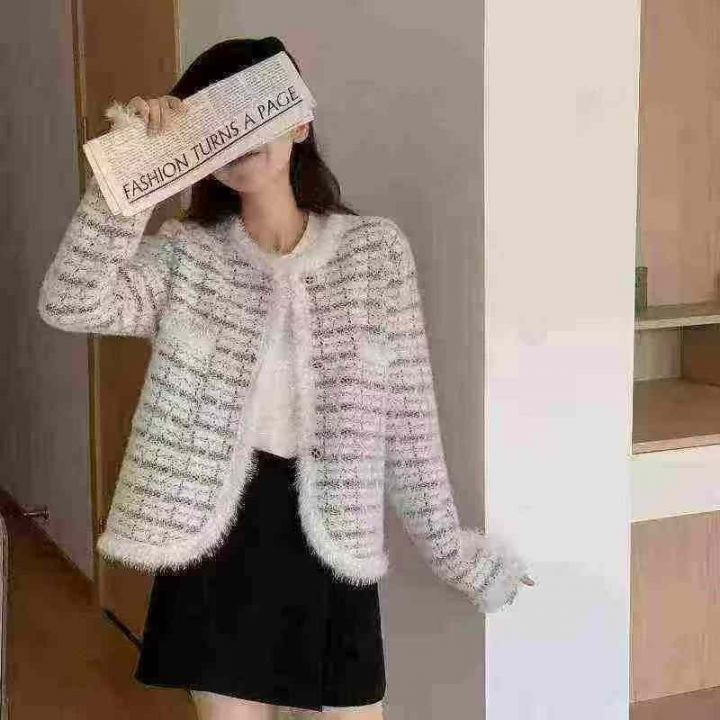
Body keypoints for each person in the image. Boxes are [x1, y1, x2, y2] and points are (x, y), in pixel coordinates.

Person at [38, 36, 535, 720]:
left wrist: (456, 555)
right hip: (216, 538)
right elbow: (72, 300)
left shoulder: (374, 254)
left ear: (299, 121)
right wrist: (134, 168)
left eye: (252, 110)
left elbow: (409, 426)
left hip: (332, 531)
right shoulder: (186, 259)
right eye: (214, 123)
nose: (240, 137)